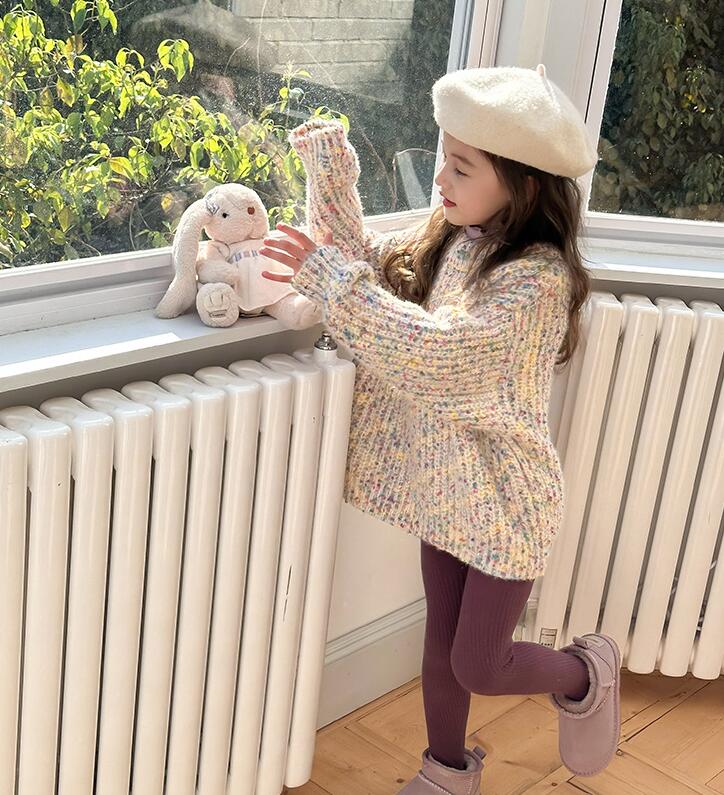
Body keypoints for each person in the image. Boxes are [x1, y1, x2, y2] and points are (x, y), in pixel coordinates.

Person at [260, 64, 621, 794]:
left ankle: (585, 672)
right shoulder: (452, 236)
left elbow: (439, 358)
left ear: (522, 185)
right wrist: (330, 171)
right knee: (440, 645)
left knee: (479, 663)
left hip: (506, 503)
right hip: (444, 488)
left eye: (461, 167)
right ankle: (446, 770)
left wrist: (331, 281)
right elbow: (363, 274)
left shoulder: (537, 279)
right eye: (442, 159)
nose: (440, 179)